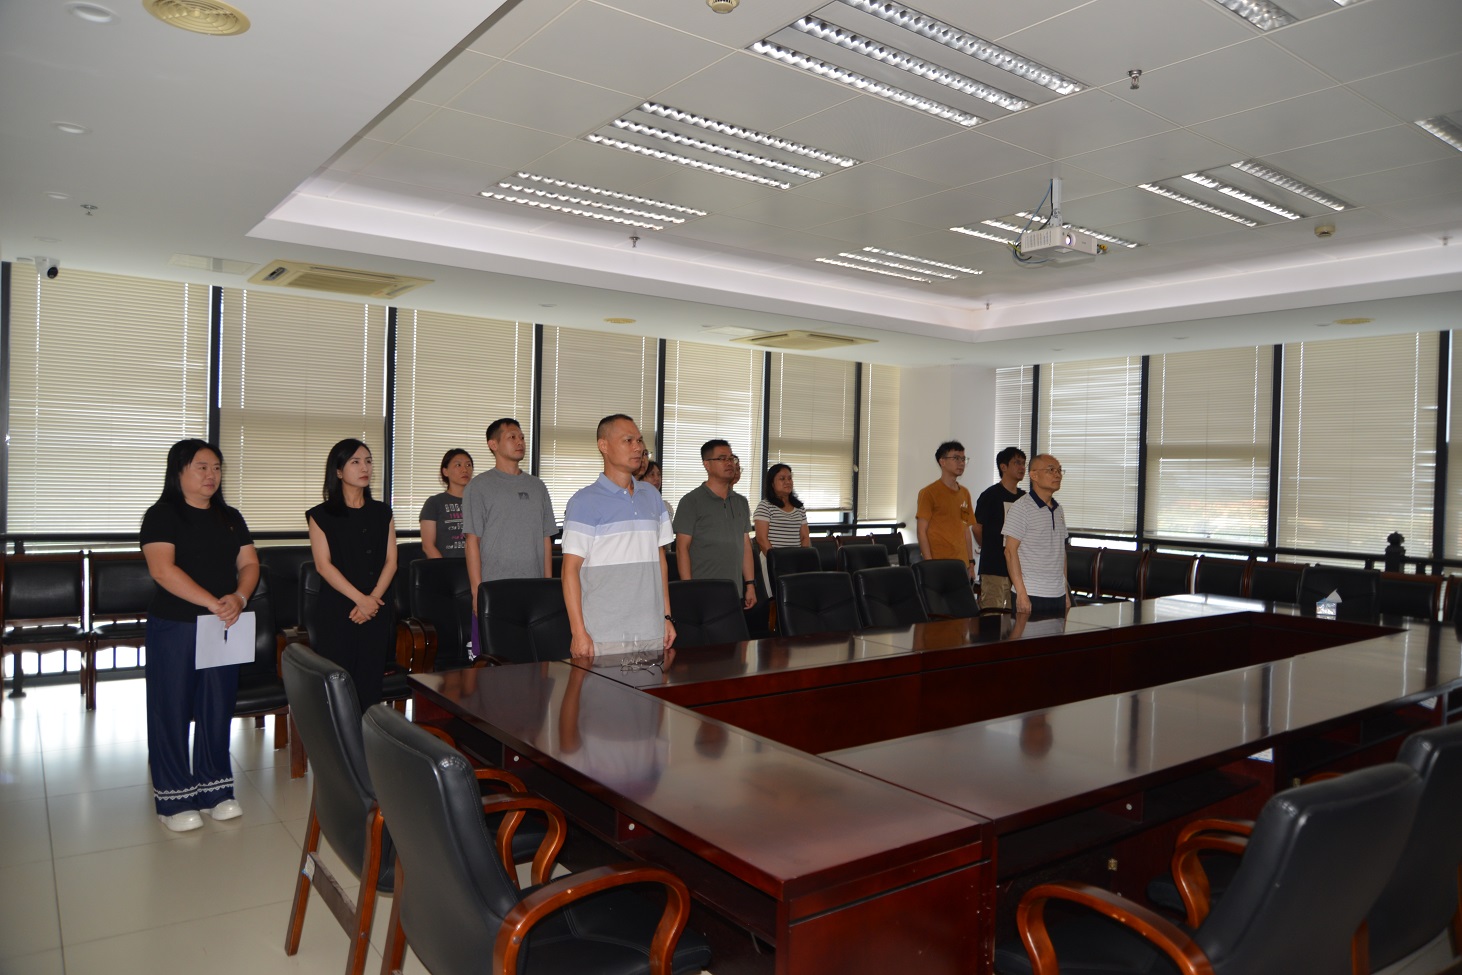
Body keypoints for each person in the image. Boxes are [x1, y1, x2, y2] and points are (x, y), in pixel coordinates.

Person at [140, 439, 259, 831]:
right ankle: (173, 799)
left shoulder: (230, 516)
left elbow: (249, 563)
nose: (212, 475)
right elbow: (162, 570)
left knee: (217, 706)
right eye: (202, 467)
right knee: (171, 708)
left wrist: (239, 598)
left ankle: (215, 791)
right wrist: (213, 602)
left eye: (217, 468)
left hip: (223, 625)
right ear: (179, 471)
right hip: (176, 625)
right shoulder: (162, 515)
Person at [561, 414, 675, 658]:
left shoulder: (652, 496)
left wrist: (666, 616)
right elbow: (570, 570)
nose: (638, 447)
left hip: (651, 630)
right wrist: (578, 632)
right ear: (604, 446)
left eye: (640, 440)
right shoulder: (584, 501)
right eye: (628, 440)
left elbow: (660, 560)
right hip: (604, 634)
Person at [306, 439, 397, 711]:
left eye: (368, 461)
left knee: (370, 686)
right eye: (355, 462)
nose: (364, 467)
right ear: (338, 471)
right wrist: (361, 600)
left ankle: (368, 737)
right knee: (338, 688)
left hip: (376, 609)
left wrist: (372, 600)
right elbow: (323, 566)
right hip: (339, 611)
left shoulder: (383, 512)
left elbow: (391, 562)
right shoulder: (321, 515)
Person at [462, 417, 556, 618]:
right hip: (496, 587)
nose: (520, 442)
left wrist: (548, 584)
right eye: (512, 437)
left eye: (522, 437)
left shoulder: (538, 486)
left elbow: (546, 539)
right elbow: (472, 542)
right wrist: (477, 591)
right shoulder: (478, 486)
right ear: (493, 444)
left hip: (535, 586)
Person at [674, 440, 757, 611]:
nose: (729, 463)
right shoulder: (691, 501)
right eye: (722, 458)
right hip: (702, 591)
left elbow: (745, 546)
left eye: (731, 458)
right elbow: (682, 549)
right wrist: (688, 589)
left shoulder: (741, 502)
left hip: (734, 591)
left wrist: (750, 584)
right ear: (707, 465)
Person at [1004, 454, 1070, 617]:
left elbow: (1061, 553)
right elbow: (1010, 551)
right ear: (1034, 475)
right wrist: (1021, 593)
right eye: (1051, 470)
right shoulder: (1021, 508)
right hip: (1031, 593)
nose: (1057, 474)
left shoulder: (1059, 509)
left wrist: (1065, 591)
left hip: (1058, 594)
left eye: (1059, 470)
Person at [973, 447, 1027, 611]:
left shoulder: (1025, 498)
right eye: (1017, 463)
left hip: (1018, 566)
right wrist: (990, 547)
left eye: (1023, 463)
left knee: (1016, 614)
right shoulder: (990, 495)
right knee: (992, 613)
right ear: (1003, 467)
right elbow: (977, 528)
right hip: (994, 566)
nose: (1022, 467)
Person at [916, 440, 978, 578]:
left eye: (963, 459)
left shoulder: (964, 493)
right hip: (938, 564)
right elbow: (921, 531)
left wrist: (971, 562)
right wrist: (929, 565)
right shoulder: (929, 492)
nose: (961, 463)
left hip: (962, 565)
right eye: (956, 458)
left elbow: (966, 529)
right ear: (942, 461)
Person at [418, 448, 473, 558]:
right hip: (445, 565)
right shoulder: (434, 503)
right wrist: (444, 567)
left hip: (476, 565)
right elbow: (428, 546)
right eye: (458, 465)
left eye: (468, 465)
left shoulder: (479, 501)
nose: (464, 470)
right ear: (445, 471)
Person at [753, 463, 811, 553]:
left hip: (796, 558)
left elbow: (805, 537)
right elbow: (761, 539)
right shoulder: (765, 506)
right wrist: (776, 559)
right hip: (772, 559)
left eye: (789, 478)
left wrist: (802, 557)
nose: (788, 482)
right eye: (782, 478)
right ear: (772, 483)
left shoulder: (799, 507)